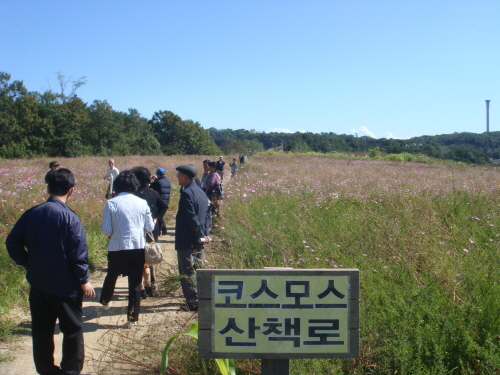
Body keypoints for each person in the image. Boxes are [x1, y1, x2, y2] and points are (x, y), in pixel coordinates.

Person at [6, 168, 95, 375]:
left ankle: (46, 370)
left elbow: (12, 241)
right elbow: (78, 253)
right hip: (66, 286)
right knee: (72, 329)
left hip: (39, 284)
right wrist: (84, 281)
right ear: (71, 191)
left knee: (42, 330)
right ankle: (71, 370)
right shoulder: (70, 218)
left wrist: (27, 261)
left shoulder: (32, 213)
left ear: (48, 187)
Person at [99, 170, 154, 328]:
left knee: (111, 275)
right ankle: (132, 319)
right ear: (134, 184)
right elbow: (150, 226)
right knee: (135, 284)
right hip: (137, 247)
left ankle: (105, 300)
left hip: (117, 247)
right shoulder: (142, 203)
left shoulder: (111, 203)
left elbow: (106, 230)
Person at [175, 164, 211, 311]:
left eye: (178, 175)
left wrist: (200, 234)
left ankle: (193, 301)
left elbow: (191, 218)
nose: (177, 178)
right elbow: (208, 215)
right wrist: (205, 233)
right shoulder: (201, 192)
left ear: (185, 176)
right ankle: (202, 297)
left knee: (187, 271)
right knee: (199, 269)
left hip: (187, 240)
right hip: (199, 239)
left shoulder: (186, 193)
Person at [131, 166, 168, 297]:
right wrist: (157, 219)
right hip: (153, 228)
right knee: (152, 253)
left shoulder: (134, 195)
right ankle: (153, 281)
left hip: (140, 230)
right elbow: (164, 206)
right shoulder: (154, 193)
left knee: (140, 258)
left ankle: (142, 286)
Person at [150, 167, 171, 236]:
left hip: (159, 200)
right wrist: (156, 179)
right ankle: (163, 230)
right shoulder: (168, 181)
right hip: (166, 200)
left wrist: (151, 179)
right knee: (160, 215)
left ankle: (161, 230)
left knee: (158, 216)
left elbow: (150, 185)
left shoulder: (157, 182)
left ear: (158, 174)